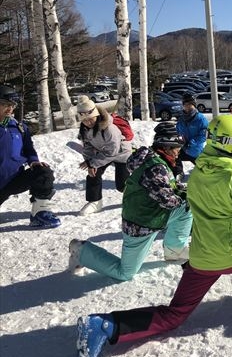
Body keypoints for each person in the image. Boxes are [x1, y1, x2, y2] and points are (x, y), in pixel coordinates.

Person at [75, 115, 232, 357]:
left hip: (201, 258)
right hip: (231, 256)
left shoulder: (197, 173)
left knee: (175, 314)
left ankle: (105, 325)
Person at [68, 123, 192, 281]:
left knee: (187, 207)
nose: (178, 152)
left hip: (152, 214)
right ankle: (81, 251)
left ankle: (175, 250)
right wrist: (190, 195)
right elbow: (168, 201)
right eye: (176, 148)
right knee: (125, 273)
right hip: (140, 224)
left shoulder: (155, 158)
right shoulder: (156, 168)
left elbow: (169, 187)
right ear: (166, 147)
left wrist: (186, 193)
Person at [0, 85, 60, 228]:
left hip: (12, 180)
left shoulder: (19, 127)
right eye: (4, 104)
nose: (9, 109)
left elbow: (28, 149)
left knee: (43, 173)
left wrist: (33, 161)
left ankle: (40, 214)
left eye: (12, 105)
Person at [76, 96, 133, 215]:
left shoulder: (110, 128)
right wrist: (90, 163)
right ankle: (95, 201)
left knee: (122, 185)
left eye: (91, 119)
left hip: (121, 154)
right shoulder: (85, 129)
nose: (88, 122)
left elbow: (113, 151)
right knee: (93, 174)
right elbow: (87, 147)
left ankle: (135, 197)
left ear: (96, 115)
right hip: (102, 154)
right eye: (85, 120)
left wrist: (91, 163)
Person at [176, 93, 208, 163]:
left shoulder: (201, 119)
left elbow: (204, 135)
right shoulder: (181, 119)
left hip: (196, 152)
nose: (187, 107)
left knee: (200, 171)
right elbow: (178, 131)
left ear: (194, 105)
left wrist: (191, 143)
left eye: (190, 105)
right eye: (185, 105)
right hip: (184, 149)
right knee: (173, 159)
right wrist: (179, 139)